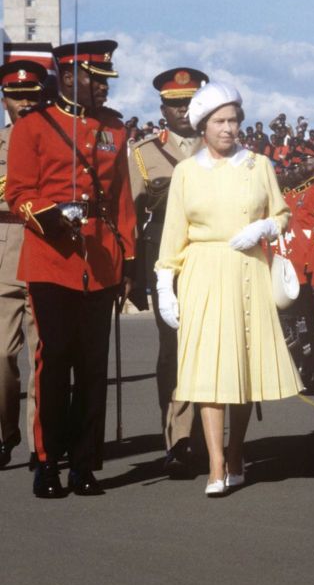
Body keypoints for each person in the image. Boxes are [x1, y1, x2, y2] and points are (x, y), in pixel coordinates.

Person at [155, 81, 302, 496]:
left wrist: (265, 226)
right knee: (207, 369)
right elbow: (172, 235)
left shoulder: (259, 165)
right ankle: (216, 465)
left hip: (247, 269)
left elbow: (283, 214)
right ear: (203, 126)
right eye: (219, 121)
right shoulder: (185, 172)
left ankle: (236, 453)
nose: (228, 128)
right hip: (202, 270)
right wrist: (166, 284)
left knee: (241, 366)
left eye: (234, 120)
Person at [5, 40, 136, 498]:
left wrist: (128, 260)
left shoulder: (114, 129)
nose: (102, 88)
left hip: (100, 262)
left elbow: (120, 198)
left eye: (105, 81)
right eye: (95, 79)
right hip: (50, 258)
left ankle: (84, 464)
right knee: (54, 363)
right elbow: (18, 191)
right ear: (69, 75)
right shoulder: (33, 127)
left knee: (94, 366)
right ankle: (47, 461)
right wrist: (52, 215)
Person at [129, 67, 209, 477]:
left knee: (214, 349)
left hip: (213, 262)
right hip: (167, 266)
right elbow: (130, 214)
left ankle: (213, 439)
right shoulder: (143, 154)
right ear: (163, 109)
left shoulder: (222, 148)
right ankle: (178, 439)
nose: (182, 110)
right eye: (175, 104)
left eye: (189, 102)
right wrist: (130, 270)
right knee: (174, 351)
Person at [0, 60, 48, 469]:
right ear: (4, 100)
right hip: (2, 256)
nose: (24, 103)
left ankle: (40, 443)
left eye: (31, 96)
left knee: (42, 357)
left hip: (46, 252)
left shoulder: (56, 144)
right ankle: (6, 432)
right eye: (16, 97)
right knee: (1, 357)